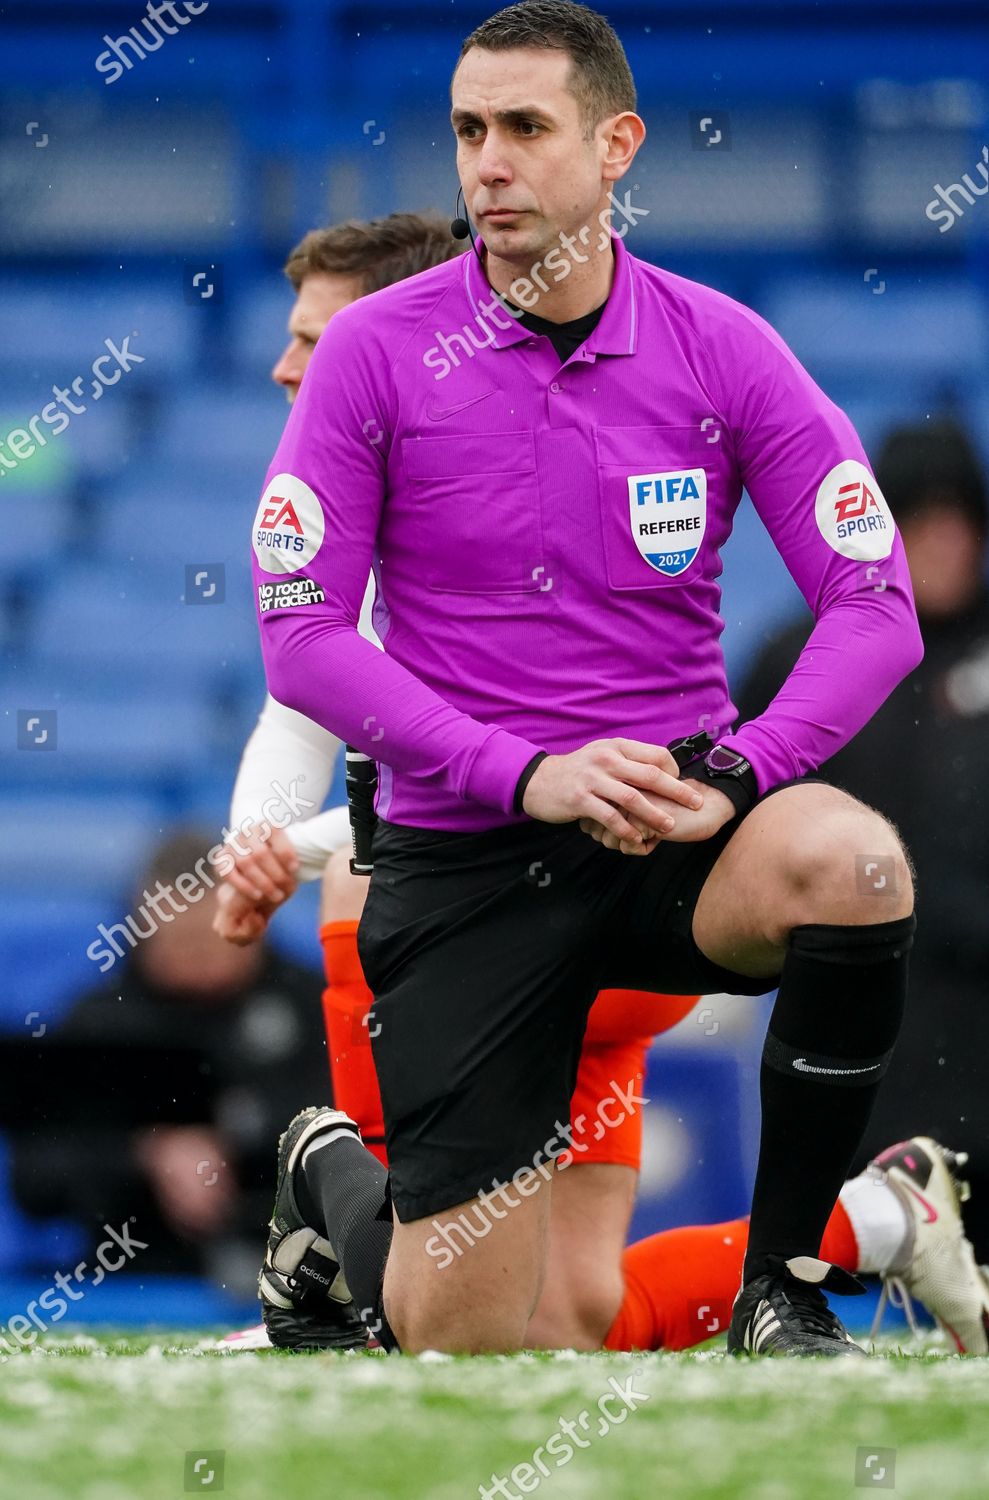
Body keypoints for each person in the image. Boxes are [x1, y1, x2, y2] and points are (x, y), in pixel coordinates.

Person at [248, 0, 926, 1358]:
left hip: (665, 846)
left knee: (851, 864)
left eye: (523, 129)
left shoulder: (720, 345)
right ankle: (332, 1168)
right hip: (465, 866)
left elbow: (874, 605)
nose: (486, 164)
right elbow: (303, 636)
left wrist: (741, 768)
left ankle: (782, 1289)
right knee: (472, 1346)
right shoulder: (378, 354)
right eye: (466, 131)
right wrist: (526, 772)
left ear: (616, 147)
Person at [214, 209, 704, 1351]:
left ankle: (336, 1198)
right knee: (568, 1321)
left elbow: (457, 791)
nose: (289, 367)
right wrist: (258, 840)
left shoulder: (479, 485)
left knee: (373, 877)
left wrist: (300, 851)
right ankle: (876, 1219)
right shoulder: (362, 470)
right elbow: (306, 704)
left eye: (314, 340)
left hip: (564, 904)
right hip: (601, 911)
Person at [736, 417, 989, 1258]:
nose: (946, 545)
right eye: (922, 523)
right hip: (855, 994)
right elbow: (739, 804)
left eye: (962, 523)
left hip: (979, 995)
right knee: (844, 1235)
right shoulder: (802, 655)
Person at [10, 831, 330, 1295]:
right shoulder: (98, 1022)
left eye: (213, 938)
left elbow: (353, 1149)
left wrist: (234, 1140)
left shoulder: (310, 1006)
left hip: (294, 1282)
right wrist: (148, 1153)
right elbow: (34, 1179)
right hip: (128, 1289)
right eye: (177, 942)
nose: (196, 961)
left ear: (253, 922)